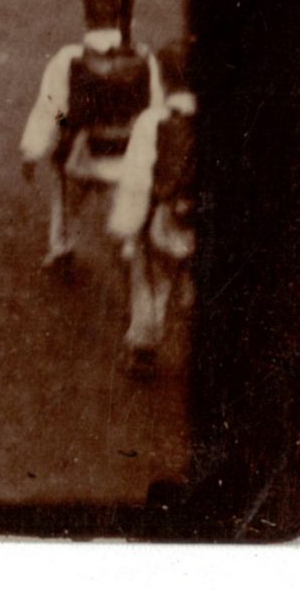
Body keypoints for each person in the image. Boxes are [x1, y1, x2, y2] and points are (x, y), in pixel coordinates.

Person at [19, 0, 156, 269]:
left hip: (81, 155)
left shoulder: (68, 58)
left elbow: (52, 107)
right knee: (130, 193)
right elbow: (154, 109)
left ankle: (61, 245)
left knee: (65, 198)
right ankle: (130, 243)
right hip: (125, 157)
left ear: (87, 17)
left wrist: (57, 133)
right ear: (128, 17)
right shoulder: (144, 60)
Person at [110, 38, 196, 366]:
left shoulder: (153, 122)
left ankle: (144, 343)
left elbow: (137, 180)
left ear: (163, 78)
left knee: (150, 277)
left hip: (166, 218)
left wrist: (128, 226)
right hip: (204, 220)